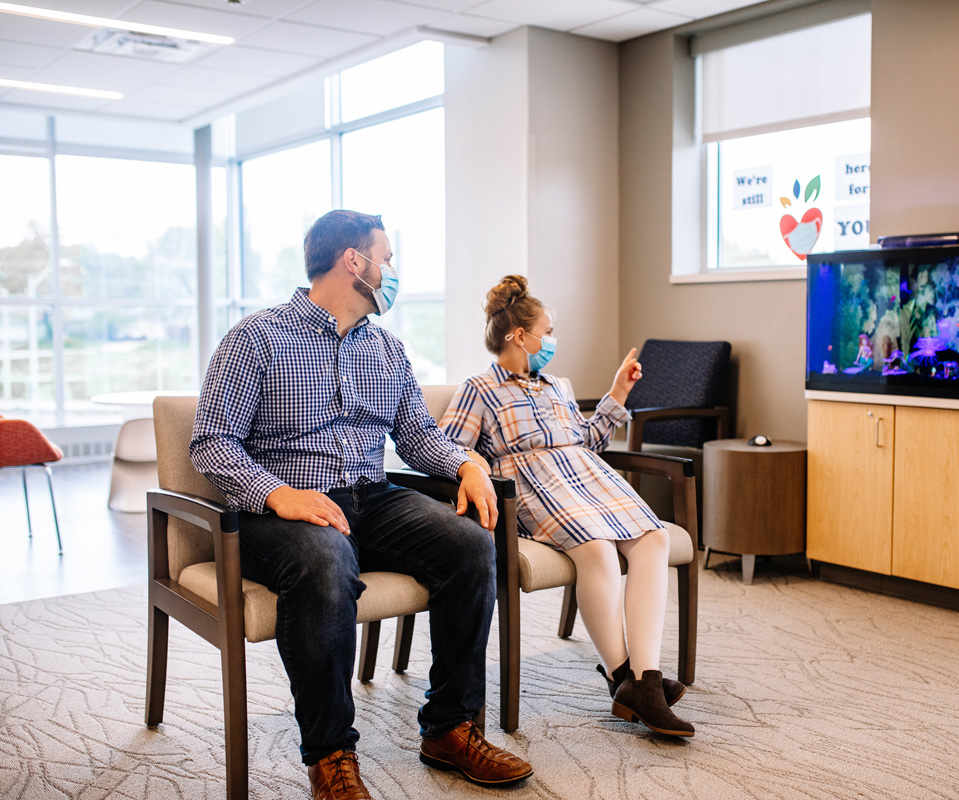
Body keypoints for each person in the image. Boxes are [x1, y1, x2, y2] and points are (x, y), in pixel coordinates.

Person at [190, 211, 533, 799]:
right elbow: (211, 442)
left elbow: (419, 437)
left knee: (470, 546)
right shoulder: (256, 337)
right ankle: (330, 756)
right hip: (280, 510)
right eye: (387, 257)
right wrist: (278, 494)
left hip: (369, 497)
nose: (391, 270)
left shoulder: (387, 350)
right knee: (326, 563)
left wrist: (467, 465)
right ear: (355, 261)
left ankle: (449, 729)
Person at [440, 275, 694, 738]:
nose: (552, 340)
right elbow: (449, 448)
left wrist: (618, 393)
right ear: (521, 336)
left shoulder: (557, 385)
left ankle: (645, 680)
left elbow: (588, 441)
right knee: (596, 549)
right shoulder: (478, 388)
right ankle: (623, 677)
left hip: (588, 476)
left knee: (654, 538)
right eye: (548, 331)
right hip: (533, 483)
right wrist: (476, 466)